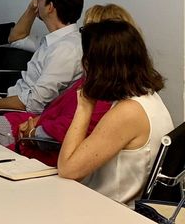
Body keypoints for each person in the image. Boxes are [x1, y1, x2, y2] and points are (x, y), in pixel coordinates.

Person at [58, 20, 173, 207]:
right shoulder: (148, 96)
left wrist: (84, 106)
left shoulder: (128, 112)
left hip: (107, 209)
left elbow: (67, 170)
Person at [1, 4, 134, 165]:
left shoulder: (103, 92)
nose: (80, 37)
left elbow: (62, 139)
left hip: (38, 148)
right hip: (34, 127)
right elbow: (58, 112)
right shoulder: (95, 79)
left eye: (85, 31)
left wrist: (33, 133)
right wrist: (36, 123)